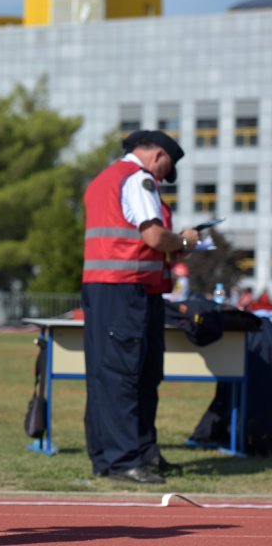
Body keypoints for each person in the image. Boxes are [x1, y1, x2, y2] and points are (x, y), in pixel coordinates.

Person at [82, 130, 200, 484]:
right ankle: (123, 461)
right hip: (126, 290)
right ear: (158, 155)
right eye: (166, 168)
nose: (163, 177)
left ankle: (133, 455)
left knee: (122, 374)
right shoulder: (139, 179)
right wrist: (184, 240)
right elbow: (152, 236)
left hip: (114, 289)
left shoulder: (104, 179)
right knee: (125, 375)